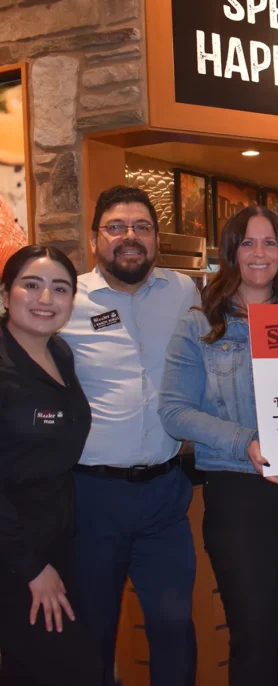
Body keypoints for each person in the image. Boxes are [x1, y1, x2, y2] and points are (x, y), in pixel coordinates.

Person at [158, 205, 278, 686]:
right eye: (248, 242)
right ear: (231, 252)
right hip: (241, 494)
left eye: (269, 243)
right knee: (254, 637)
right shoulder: (200, 323)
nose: (259, 253)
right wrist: (245, 441)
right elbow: (174, 410)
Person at [59, 186, 199, 686]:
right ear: (95, 238)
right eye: (116, 227)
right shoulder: (65, 299)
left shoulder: (185, 291)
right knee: (92, 630)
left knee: (174, 623)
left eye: (141, 227)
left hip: (165, 493)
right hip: (90, 498)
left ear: (156, 238)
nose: (130, 237)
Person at [0, 246, 101, 686]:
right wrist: (32, 569)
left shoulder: (59, 353)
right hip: (15, 554)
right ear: (5, 295)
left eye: (60, 288)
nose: (46, 298)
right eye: (31, 285)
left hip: (58, 542)